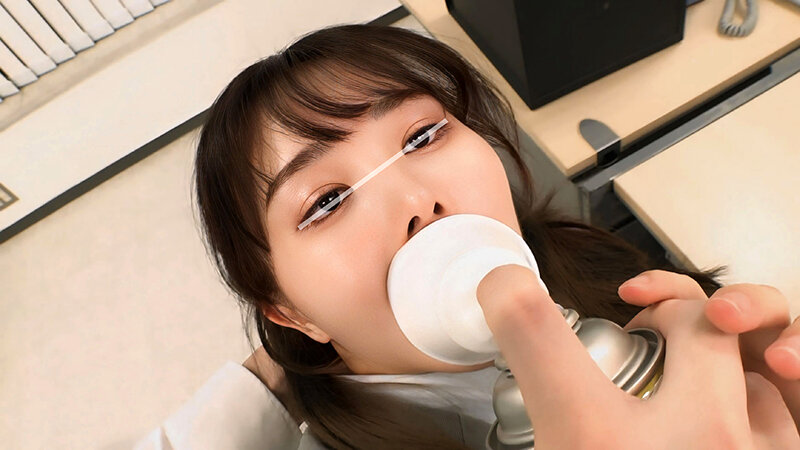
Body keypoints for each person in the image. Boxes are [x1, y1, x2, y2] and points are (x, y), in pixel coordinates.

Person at [136, 24, 800, 449]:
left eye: (423, 135)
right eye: (327, 201)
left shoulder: (593, 264)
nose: (418, 201)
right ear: (287, 312)